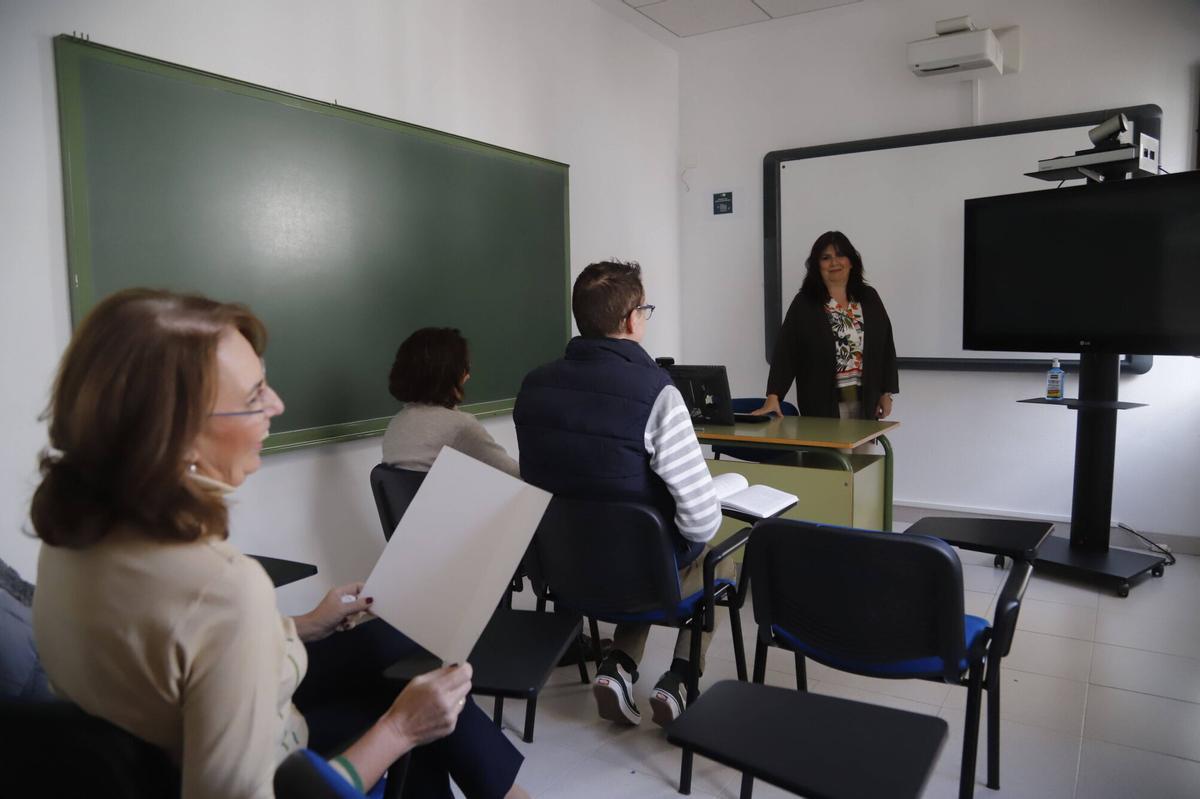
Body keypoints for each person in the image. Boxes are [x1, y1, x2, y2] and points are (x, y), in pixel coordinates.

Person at [30, 289, 526, 799]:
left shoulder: (70, 536)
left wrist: (304, 624)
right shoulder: (225, 588)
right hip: (276, 760)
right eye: (253, 397)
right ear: (176, 432)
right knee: (416, 699)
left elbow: (179, 655)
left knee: (399, 645)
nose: (277, 404)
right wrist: (400, 730)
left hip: (180, 742)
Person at [513, 260, 732, 728]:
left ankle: (619, 665)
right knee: (719, 554)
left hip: (562, 575)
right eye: (645, 310)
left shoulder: (533, 387)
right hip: (638, 574)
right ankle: (681, 680)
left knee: (640, 546)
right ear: (632, 320)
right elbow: (701, 521)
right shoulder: (657, 392)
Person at [754, 230, 898, 421]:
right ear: (817, 266)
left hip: (866, 402)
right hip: (821, 404)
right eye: (826, 258)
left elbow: (886, 346)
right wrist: (774, 396)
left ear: (851, 261)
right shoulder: (804, 303)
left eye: (840, 255)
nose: (834, 262)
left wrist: (886, 393)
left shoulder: (869, 298)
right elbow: (786, 352)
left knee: (866, 443)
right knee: (827, 443)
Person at [382, 327, 519, 477]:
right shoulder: (460, 426)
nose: (468, 375)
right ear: (450, 374)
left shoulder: (396, 423)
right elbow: (514, 473)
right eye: (464, 367)